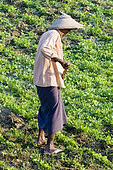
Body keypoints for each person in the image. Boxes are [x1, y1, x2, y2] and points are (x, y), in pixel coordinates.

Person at [33, 13, 84, 154]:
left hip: (43, 79)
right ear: (66, 29)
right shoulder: (54, 35)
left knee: (46, 108)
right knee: (54, 110)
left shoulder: (47, 34)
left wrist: (62, 67)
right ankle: (49, 147)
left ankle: (41, 138)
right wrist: (60, 61)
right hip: (48, 80)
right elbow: (45, 50)